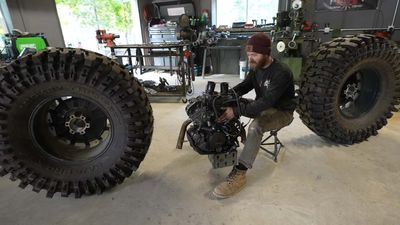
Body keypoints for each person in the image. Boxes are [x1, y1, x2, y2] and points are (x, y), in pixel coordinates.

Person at [213, 32, 296, 198]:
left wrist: (236, 111)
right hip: (264, 105)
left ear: (267, 54)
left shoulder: (281, 72)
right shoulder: (257, 68)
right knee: (230, 104)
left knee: (256, 127)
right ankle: (223, 144)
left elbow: (265, 103)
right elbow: (244, 86)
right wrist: (224, 98)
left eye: (255, 55)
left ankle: (240, 173)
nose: (251, 59)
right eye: (249, 54)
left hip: (282, 111)